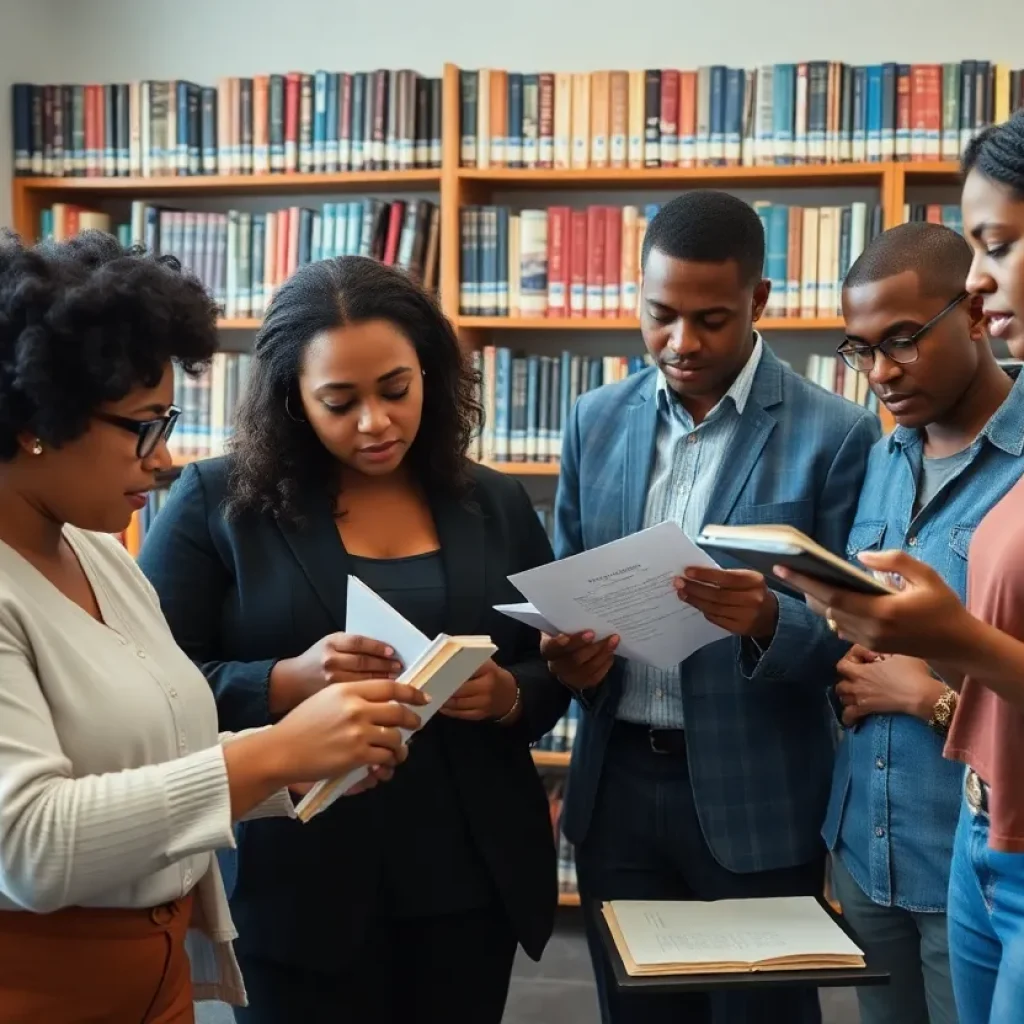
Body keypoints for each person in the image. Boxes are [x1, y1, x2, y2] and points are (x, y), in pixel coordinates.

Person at [0, 232, 428, 1024]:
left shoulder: (99, 553)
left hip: (157, 974)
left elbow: (156, 747)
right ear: (37, 419)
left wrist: (288, 771)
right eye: (143, 426)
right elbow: (31, 847)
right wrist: (276, 750)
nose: (163, 459)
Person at [138, 255, 567, 1024]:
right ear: (294, 399)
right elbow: (147, 686)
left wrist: (508, 696)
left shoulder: (495, 501)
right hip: (296, 886)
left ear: (430, 372)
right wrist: (282, 681)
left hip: (469, 884)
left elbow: (545, 667)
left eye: (396, 390)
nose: (375, 422)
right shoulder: (217, 503)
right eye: (340, 402)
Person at [541, 189, 879, 1024]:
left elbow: (861, 637)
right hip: (618, 786)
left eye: (711, 319)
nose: (681, 342)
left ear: (758, 301)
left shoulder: (836, 434)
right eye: (660, 315)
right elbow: (566, 580)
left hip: (758, 794)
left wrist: (768, 621)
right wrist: (570, 657)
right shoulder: (593, 420)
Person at [770, 109, 1024, 1024]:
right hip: (866, 848)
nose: (879, 371)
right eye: (861, 349)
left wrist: (932, 695)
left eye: (904, 338)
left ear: (974, 312)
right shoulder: (877, 456)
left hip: (975, 843)